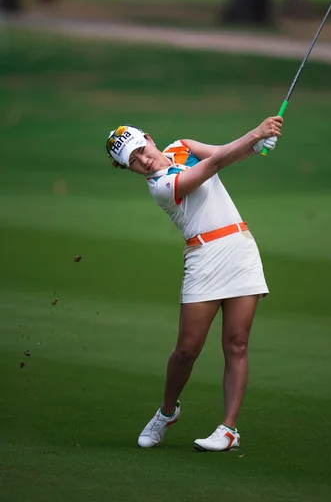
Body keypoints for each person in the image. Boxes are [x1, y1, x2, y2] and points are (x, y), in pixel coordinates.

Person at [105, 116, 283, 452]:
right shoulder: (161, 187)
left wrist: (255, 146)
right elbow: (215, 164)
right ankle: (167, 412)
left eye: (141, 150)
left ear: (149, 138)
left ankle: (228, 430)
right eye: (132, 161)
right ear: (129, 169)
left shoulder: (182, 147)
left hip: (240, 250)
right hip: (204, 258)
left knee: (237, 344)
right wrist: (254, 134)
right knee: (186, 350)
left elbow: (224, 153)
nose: (143, 160)